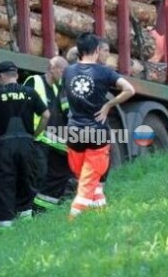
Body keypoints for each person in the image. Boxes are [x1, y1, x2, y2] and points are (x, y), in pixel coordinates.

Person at [62, 33, 135, 219]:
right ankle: (73, 221)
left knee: (87, 180)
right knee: (87, 185)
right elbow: (129, 90)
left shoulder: (68, 72)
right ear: (96, 50)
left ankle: (101, 216)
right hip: (97, 133)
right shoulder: (104, 72)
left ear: (78, 51)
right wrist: (109, 104)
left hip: (74, 132)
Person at [0, 61, 50, 228]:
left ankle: (4, 227)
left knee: (4, 185)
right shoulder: (30, 93)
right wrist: (35, 134)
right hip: (26, 144)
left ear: (1, 77)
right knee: (26, 183)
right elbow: (46, 115)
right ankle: (25, 223)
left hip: (4, 145)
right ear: (16, 75)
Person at [23, 56, 72, 211]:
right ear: (52, 68)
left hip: (49, 142)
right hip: (34, 138)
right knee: (38, 175)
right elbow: (23, 108)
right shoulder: (34, 81)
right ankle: (30, 210)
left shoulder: (58, 89)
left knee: (48, 176)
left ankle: (42, 210)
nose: (64, 75)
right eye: (62, 71)